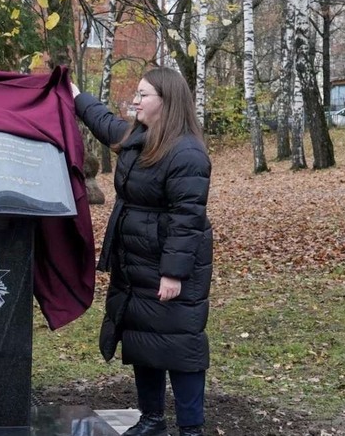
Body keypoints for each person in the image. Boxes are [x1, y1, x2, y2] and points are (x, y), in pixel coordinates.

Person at [71, 68, 213, 436]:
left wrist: (174, 273)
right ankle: (152, 420)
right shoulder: (139, 136)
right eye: (136, 93)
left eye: (143, 94)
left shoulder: (187, 152)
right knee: (143, 340)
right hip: (135, 259)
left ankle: (190, 429)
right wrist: (74, 95)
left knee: (181, 347)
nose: (135, 100)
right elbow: (103, 121)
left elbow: (188, 218)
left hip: (168, 264)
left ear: (166, 102)